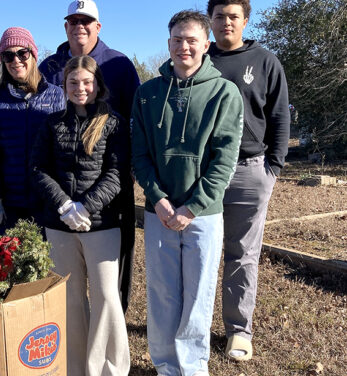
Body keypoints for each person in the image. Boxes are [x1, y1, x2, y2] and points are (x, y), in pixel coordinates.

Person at [131, 11, 243, 376]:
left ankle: (192, 367)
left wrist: (192, 207)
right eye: (177, 40)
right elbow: (140, 154)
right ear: (168, 44)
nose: (184, 47)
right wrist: (159, 200)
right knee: (162, 294)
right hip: (159, 210)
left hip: (203, 214)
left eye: (192, 40)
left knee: (198, 295)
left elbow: (224, 161)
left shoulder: (225, 92)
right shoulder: (147, 94)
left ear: (206, 45)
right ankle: (165, 366)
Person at [31, 55, 131, 376]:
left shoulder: (112, 123)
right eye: (73, 82)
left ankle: (107, 369)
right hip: (59, 225)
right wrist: (64, 206)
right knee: (70, 299)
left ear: (98, 84)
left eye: (86, 81)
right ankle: (74, 368)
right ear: (64, 86)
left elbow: (116, 174)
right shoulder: (52, 123)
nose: (80, 87)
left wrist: (85, 206)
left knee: (106, 298)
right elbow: (38, 169)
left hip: (101, 224)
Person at [39, 0, 139, 312]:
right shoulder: (49, 67)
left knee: (108, 281)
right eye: (73, 21)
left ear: (98, 26)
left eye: (86, 21)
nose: (79, 26)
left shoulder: (119, 64)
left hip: (107, 187)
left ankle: (113, 323)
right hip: (61, 189)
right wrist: (63, 201)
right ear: (65, 26)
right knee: (66, 287)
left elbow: (133, 118)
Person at [207, 0, 290, 361]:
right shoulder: (198, 58)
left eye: (233, 16)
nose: (226, 22)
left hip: (249, 172)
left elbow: (279, 115)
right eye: (219, 16)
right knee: (199, 253)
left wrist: (273, 167)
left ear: (244, 21)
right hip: (203, 174)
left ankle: (239, 331)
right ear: (210, 20)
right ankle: (192, 327)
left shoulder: (266, 61)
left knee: (242, 254)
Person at [0, 27, 64, 234]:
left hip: (47, 202)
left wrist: (62, 197)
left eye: (22, 53)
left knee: (47, 266)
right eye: (8, 55)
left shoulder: (57, 96)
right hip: (8, 205)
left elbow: (62, 151)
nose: (16, 60)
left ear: (33, 54)